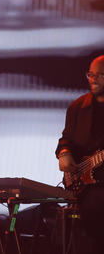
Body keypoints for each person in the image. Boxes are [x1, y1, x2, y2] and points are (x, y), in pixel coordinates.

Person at [57, 54, 104, 251]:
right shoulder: (77, 107)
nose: (93, 80)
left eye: (100, 75)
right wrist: (64, 153)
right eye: (90, 75)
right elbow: (66, 139)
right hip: (86, 188)